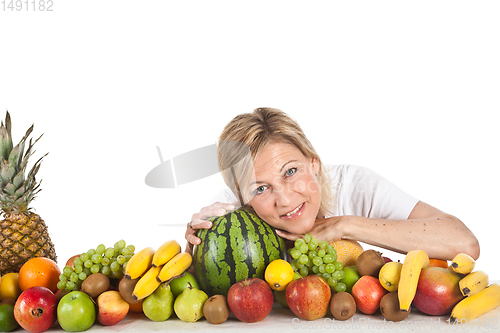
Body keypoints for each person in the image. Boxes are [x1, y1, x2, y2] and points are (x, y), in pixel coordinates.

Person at [185, 107, 480, 261]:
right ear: (240, 195)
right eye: (260, 188)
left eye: (290, 171)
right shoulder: (230, 211)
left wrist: (345, 225)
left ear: (314, 162)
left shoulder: (355, 184)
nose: (285, 200)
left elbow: (464, 243)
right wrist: (194, 249)